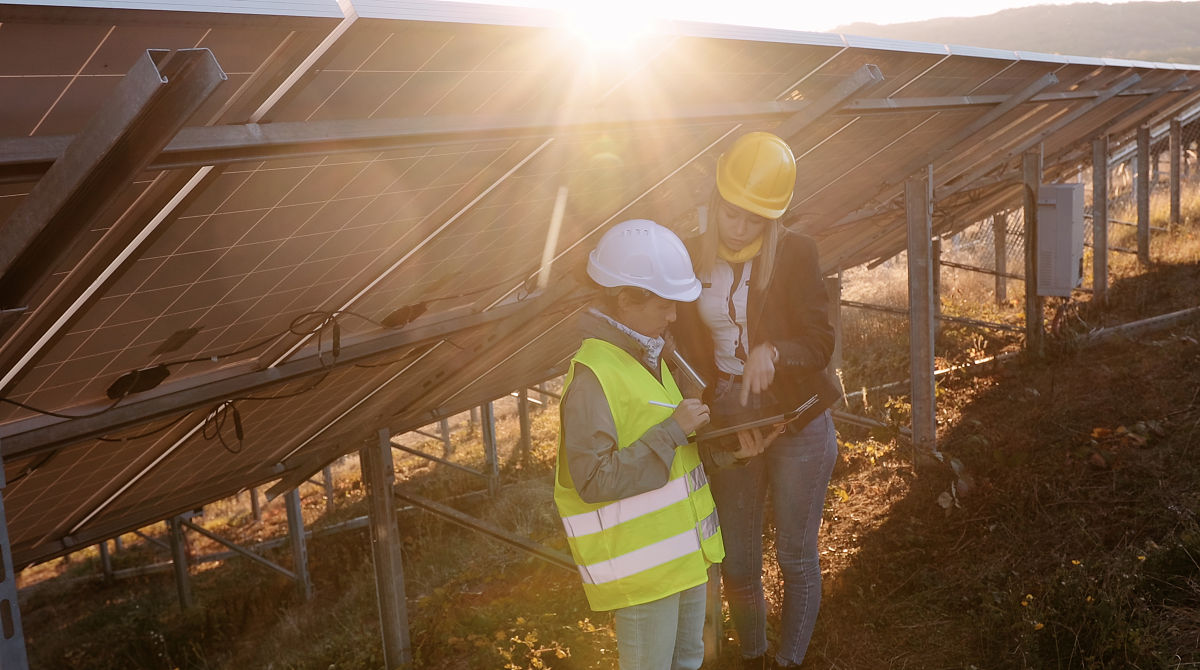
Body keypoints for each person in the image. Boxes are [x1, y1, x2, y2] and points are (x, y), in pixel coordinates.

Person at [554, 218, 773, 670]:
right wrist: (673, 428)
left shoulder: (653, 356)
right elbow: (593, 479)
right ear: (626, 301)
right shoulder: (592, 378)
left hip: (687, 559)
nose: (674, 316)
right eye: (664, 305)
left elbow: (678, 457)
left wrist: (731, 453)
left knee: (690, 661)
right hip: (644, 575)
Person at [673, 132, 843, 669]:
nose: (740, 228)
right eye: (731, 214)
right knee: (740, 560)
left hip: (796, 418)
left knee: (795, 554)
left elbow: (820, 341)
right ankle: (753, 656)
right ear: (715, 201)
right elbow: (678, 341)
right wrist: (704, 400)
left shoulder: (796, 251)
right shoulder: (688, 255)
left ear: (772, 219)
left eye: (754, 220)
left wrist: (775, 351)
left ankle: (788, 662)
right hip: (730, 416)